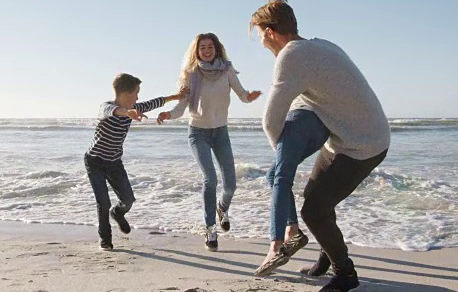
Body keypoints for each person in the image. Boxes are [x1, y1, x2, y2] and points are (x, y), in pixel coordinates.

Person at [250, 0, 390, 292]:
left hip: (363, 143)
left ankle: (345, 274)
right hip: (349, 135)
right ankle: (327, 259)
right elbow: (310, 97)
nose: (260, 40)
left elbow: (271, 117)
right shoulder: (322, 44)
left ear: (270, 32)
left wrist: (282, 158)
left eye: (260, 33)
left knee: (313, 211)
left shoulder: (291, 55)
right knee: (316, 197)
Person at [156, 32, 262, 251]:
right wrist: (169, 114)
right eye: (202, 47)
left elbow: (242, 94)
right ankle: (210, 229)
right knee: (210, 179)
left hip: (220, 132)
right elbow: (182, 105)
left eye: (210, 47)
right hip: (198, 133)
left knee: (231, 185)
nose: (206, 50)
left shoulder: (227, 70)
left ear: (216, 49)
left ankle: (222, 209)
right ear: (197, 51)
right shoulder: (191, 75)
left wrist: (249, 97)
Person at [85, 73, 186, 251]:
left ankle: (117, 213)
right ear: (125, 94)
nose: (138, 97)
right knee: (103, 202)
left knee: (128, 199)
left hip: (114, 162)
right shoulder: (107, 107)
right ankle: (106, 239)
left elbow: (155, 102)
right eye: (136, 93)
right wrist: (127, 112)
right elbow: (113, 112)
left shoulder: (136, 107)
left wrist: (176, 97)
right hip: (95, 162)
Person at [258, 103, 330, 275]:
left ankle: (276, 245)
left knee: (281, 178)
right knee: (273, 175)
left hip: (298, 119)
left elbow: (277, 100)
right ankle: (293, 228)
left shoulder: (292, 75)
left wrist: (277, 142)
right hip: (322, 127)